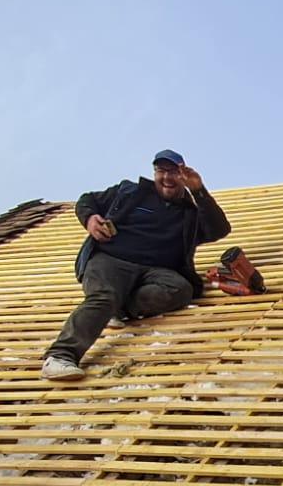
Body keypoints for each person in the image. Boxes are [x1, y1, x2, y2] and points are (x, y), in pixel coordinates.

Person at [41, 149, 232, 380]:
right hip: (111, 260)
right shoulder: (131, 193)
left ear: (183, 176)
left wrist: (198, 190)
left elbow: (219, 229)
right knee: (104, 296)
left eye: (173, 172)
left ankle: (120, 309)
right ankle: (61, 355)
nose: (167, 178)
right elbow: (87, 200)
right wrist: (90, 219)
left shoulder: (190, 213)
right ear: (155, 172)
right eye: (161, 171)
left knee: (180, 289)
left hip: (156, 271)